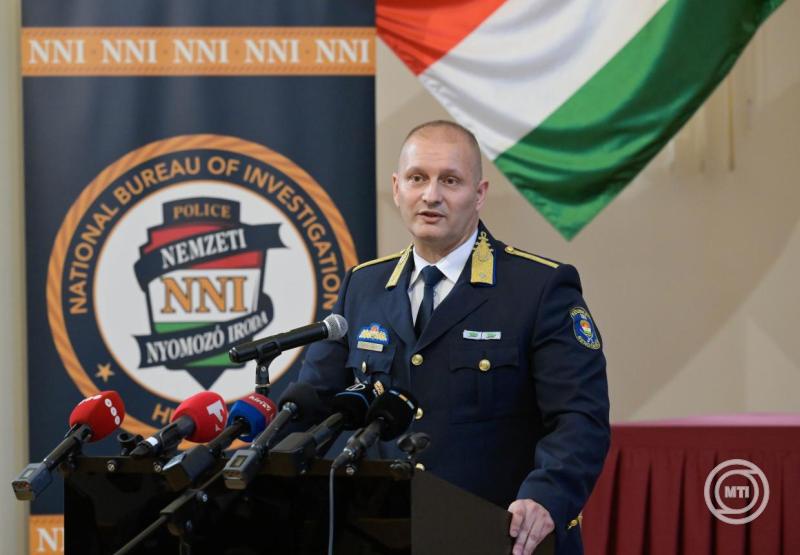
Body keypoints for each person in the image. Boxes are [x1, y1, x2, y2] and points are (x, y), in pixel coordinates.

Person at [299, 120, 610, 555]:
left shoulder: (538, 288)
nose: (431, 195)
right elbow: (313, 402)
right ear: (397, 188)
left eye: (450, 180)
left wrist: (546, 496)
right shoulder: (362, 286)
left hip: (499, 536)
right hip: (380, 535)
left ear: (479, 194)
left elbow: (580, 418)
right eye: (417, 178)